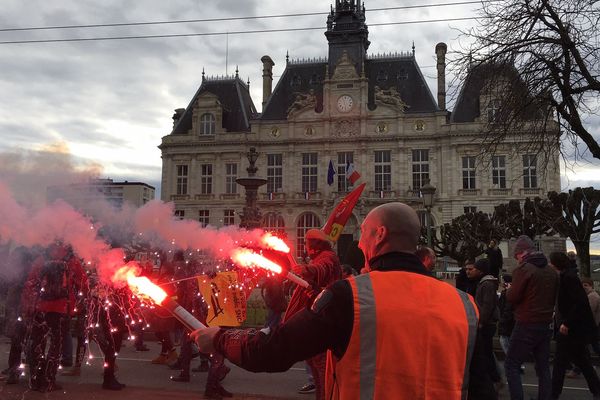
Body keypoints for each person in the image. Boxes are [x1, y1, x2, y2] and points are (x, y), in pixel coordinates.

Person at [192, 202, 479, 400]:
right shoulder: (465, 305)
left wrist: (220, 339)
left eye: (364, 232)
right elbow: (480, 385)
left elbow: (275, 350)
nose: (357, 243)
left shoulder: (351, 296)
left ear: (379, 236)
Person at [21, 242, 88, 392]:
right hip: (61, 309)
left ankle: (35, 379)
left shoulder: (41, 259)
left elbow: (30, 283)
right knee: (56, 346)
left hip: (40, 309)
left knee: (37, 344)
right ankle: (49, 379)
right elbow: (84, 284)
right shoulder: (72, 261)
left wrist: (27, 307)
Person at [285, 228, 341, 399]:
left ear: (314, 245)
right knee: (317, 371)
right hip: (315, 320)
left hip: (322, 322)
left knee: (323, 372)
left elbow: (321, 269)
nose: (305, 247)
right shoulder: (320, 258)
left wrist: (307, 270)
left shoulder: (328, 257)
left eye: (307, 243)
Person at [504, 235, 559, 400]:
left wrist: (508, 289)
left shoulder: (524, 269)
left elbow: (513, 297)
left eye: (517, 256)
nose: (517, 259)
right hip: (545, 323)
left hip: (526, 322)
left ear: (522, 253)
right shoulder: (551, 271)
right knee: (543, 367)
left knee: (511, 364)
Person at [549, 252, 600, 399]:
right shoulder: (569, 276)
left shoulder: (568, 278)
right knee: (582, 361)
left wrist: (566, 322)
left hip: (570, 328)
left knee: (560, 363)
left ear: (555, 263)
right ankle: (596, 388)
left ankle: (552, 394)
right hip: (575, 329)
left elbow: (579, 303)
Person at [466, 259, 502, 393]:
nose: (469, 271)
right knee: (486, 352)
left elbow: (487, 305)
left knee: (485, 353)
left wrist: (481, 322)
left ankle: (494, 379)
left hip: (485, 323)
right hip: (486, 322)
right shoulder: (485, 282)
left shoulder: (486, 284)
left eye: (472, 269)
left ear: (480, 270)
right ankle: (494, 379)